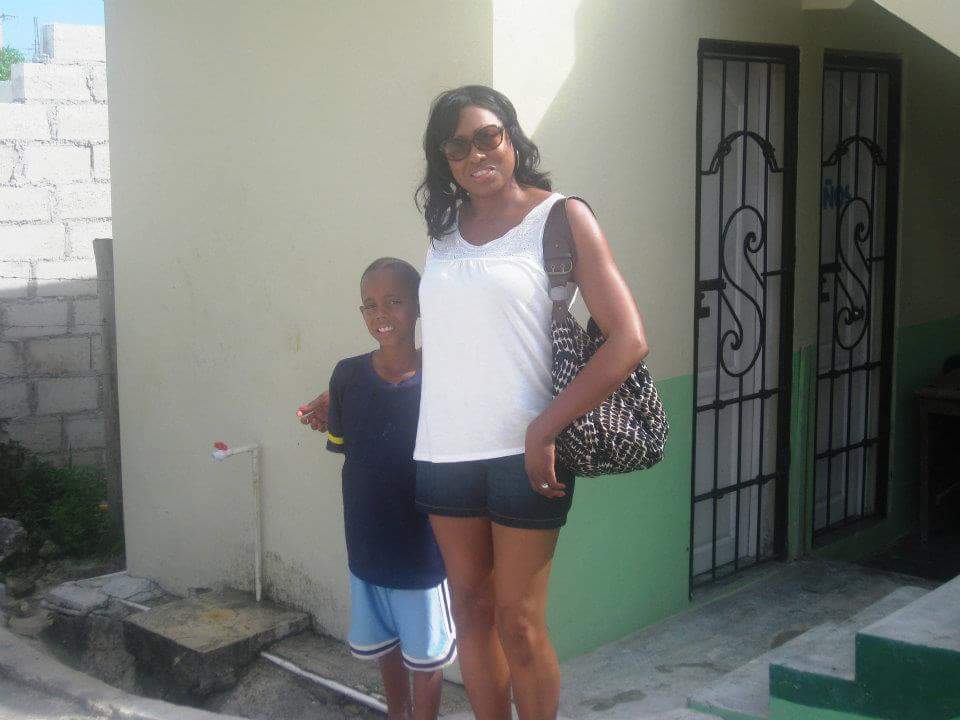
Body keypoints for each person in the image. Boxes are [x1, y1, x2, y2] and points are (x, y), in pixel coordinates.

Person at [301, 85, 648, 720]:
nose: (475, 154)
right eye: (456, 146)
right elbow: (453, 341)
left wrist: (545, 429)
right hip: (443, 454)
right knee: (471, 612)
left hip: (526, 455)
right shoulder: (443, 233)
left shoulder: (562, 218)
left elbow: (627, 340)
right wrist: (354, 383)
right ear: (444, 159)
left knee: (519, 620)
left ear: (511, 135)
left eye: (487, 136)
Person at [299, 257, 456, 720]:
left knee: (425, 655)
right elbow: (347, 448)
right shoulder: (346, 376)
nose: (381, 314)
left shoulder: (443, 375)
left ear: (419, 305)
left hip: (423, 548)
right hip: (366, 543)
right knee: (385, 644)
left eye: (393, 301)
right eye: (369, 305)